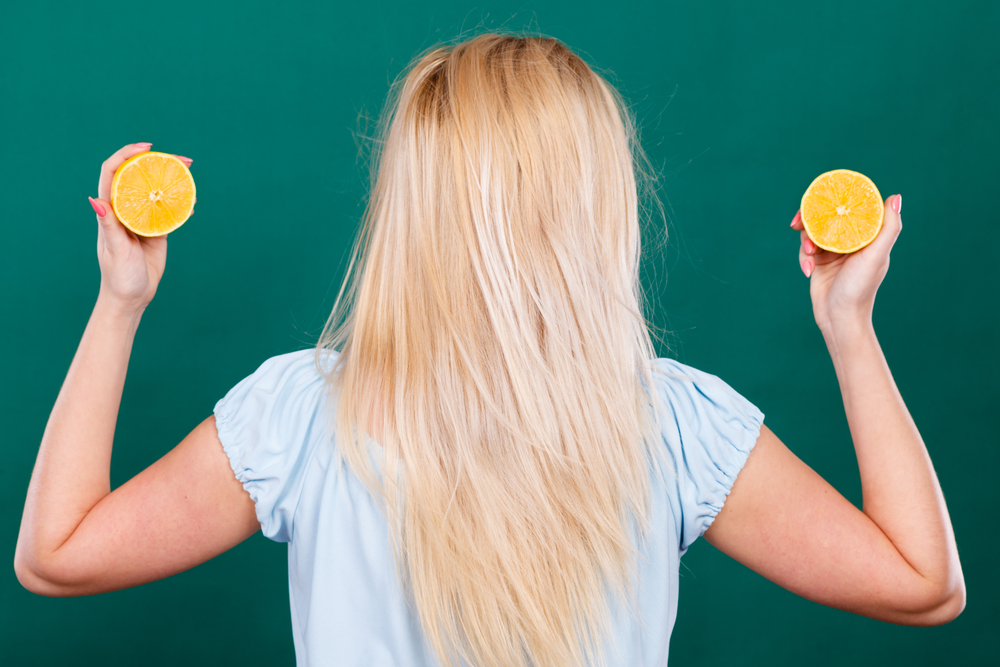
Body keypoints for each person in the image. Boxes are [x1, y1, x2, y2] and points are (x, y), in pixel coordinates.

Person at [14, 33, 964, 667]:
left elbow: (55, 555)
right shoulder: (672, 422)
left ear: (411, 204)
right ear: (594, 205)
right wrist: (850, 329)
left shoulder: (299, 414)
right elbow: (923, 585)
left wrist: (119, 304)